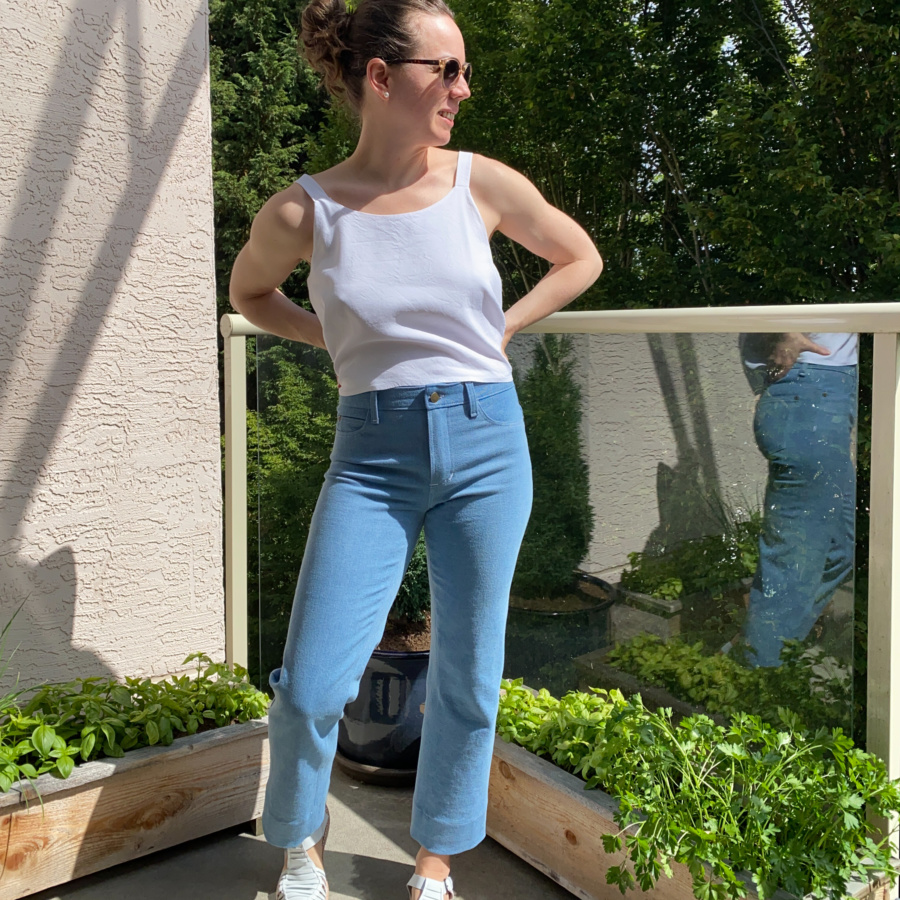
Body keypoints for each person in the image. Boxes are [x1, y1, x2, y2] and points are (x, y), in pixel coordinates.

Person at [228, 1, 604, 897]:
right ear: (381, 78)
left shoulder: (481, 182)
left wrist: (499, 330)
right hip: (374, 450)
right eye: (448, 70)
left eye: (465, 71)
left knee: (470, 673)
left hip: (487, 439)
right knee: (317, 680)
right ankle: (300, 846)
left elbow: (579, 257)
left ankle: (434, 863)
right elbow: (251, 295)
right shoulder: (303, 209)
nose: (462, 90)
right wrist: (339, 341)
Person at [738, 332, 858, 668]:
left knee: (839, 552)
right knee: (790, 568)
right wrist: (784, 332)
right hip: (809, 396)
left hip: (819, 395)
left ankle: (757, 650)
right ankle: (753, 688)